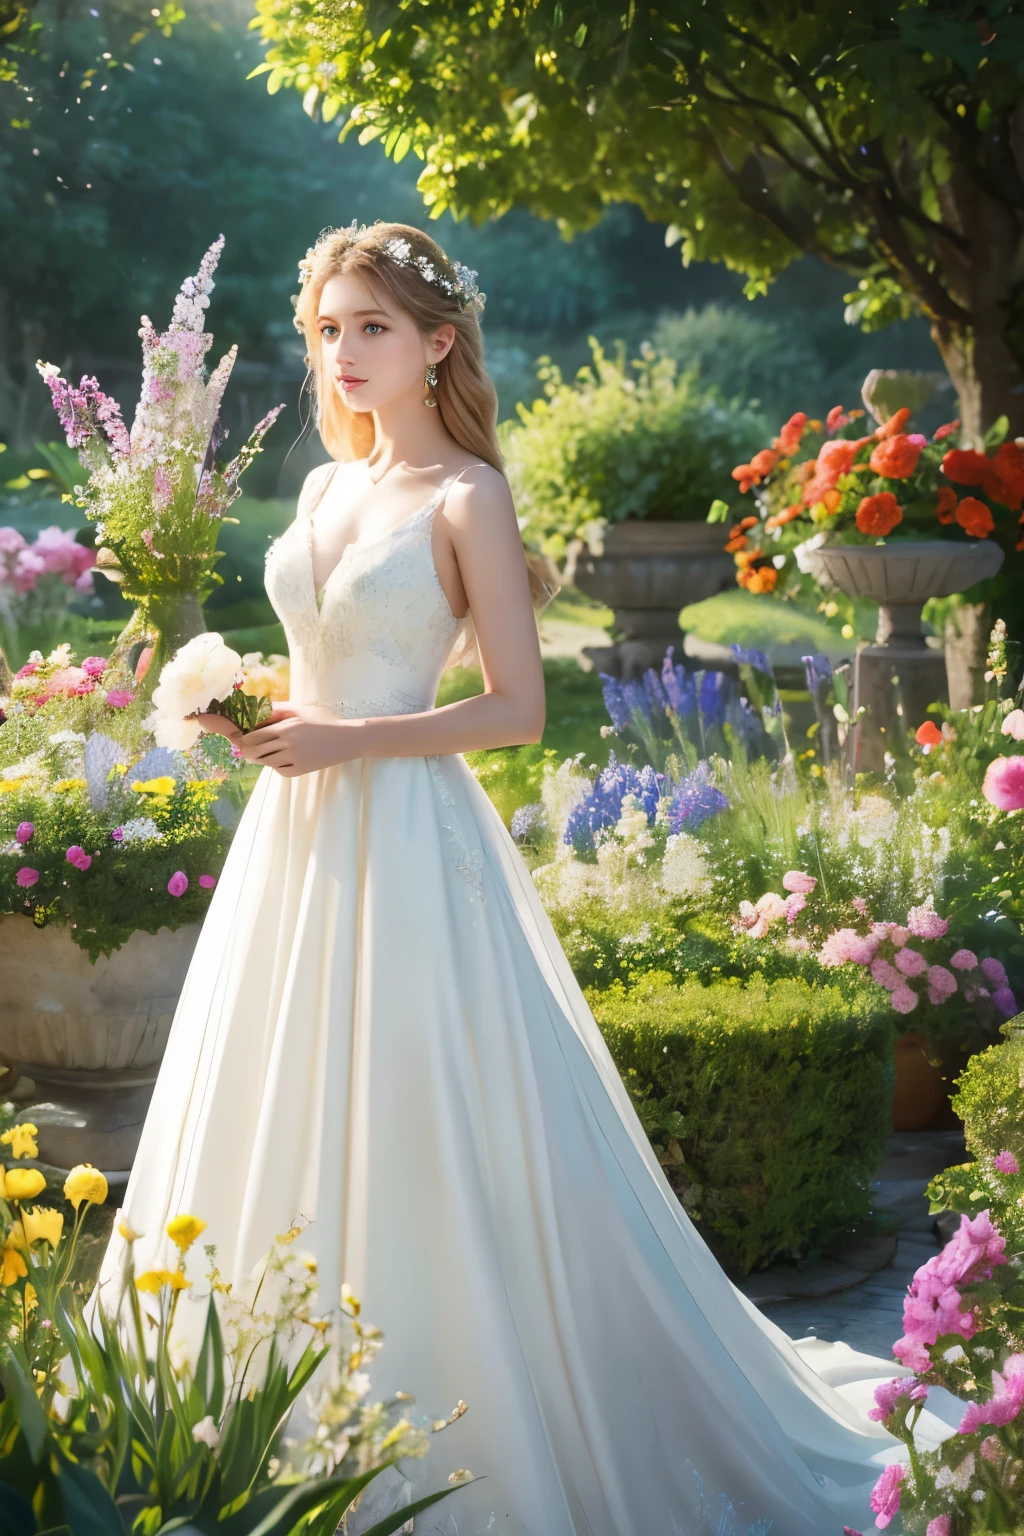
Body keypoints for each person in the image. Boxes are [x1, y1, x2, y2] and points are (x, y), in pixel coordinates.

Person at [93, 220, 945, 1535]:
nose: (344, 351)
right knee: (276, 1096)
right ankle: (249, 1413)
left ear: (438, 343)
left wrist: (347, 738)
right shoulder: (323, 493)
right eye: (327, 327)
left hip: (410, 842)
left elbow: (516, 711)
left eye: (371, 325)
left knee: (421, 1115)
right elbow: (313, 666)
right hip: (296, 843)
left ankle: (449, 1425)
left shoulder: (467, 500)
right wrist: (249, 714)